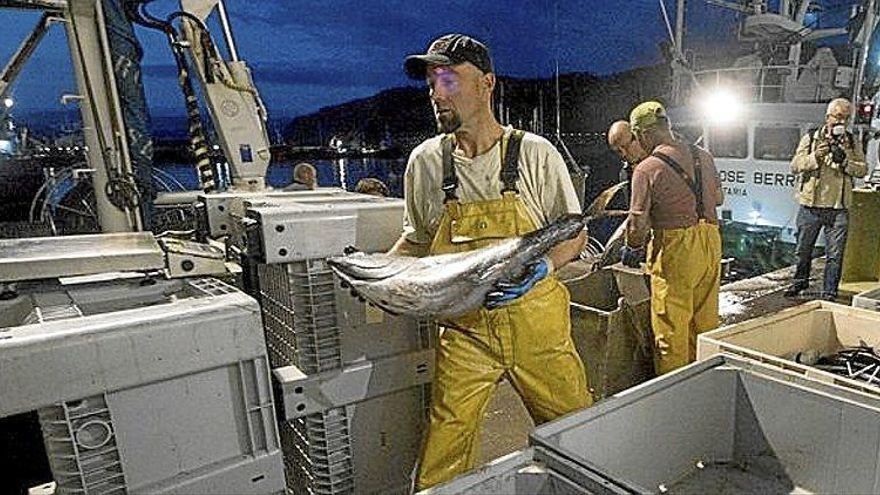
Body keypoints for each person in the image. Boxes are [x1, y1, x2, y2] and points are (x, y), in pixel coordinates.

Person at [392, 33, 591, 489]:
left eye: (448, 79)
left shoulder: (534, 154)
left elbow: (574, 233)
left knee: (577, 435)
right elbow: (417, 242)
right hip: (463, 333)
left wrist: (543, 267)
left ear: (487, 83)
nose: (436, 93)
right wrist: (373, 276)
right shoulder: (425, 163)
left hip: (538, 328)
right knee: (443, 453)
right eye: (430, 83)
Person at [621, 101, 723, 376]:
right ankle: (705, 379)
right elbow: (719, 198)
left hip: (676, 248)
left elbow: (637, 223)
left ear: (643, 134)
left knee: (671, 331)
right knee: (705, 322)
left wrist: (632, 247)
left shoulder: (646, 169)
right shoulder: (704, 155)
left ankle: (674, 391)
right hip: (711, 241)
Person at [785, 98, 867, 300]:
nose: (841, 122)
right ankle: (799, 282)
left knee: (835, 255)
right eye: (838, 116)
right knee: (803, 250)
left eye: (846, 118)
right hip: (811, 206)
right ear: (828, 117)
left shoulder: (852, 141)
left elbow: (862, 169)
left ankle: (829, 291)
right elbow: (795, 165)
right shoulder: (812, 138)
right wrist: (816, 157)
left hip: (838, 207)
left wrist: (845, 161)